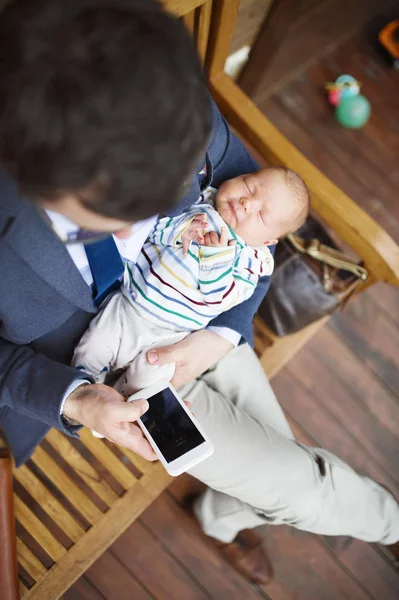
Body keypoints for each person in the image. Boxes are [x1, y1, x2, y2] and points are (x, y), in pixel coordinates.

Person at [0, 0, 397, 586]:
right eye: (117, 216)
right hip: (105, 365)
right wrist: (78, 400)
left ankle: (227, 514)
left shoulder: (157, 88)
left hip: (204, 318)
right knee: (301, 488)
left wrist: (219, 336)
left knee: (289, 478)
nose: (162, 221)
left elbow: (254, 223)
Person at [72, 167, 309, 394]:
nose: (248, 203)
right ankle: (90, 388)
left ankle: (123, 398)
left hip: (171, 336)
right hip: (127, 305)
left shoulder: (250, 261)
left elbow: (220, 298)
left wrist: (215, 258)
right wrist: (181, 230)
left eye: (261, 215)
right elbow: (152, 230)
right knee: (93, 348)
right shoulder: (201, 201)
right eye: (249, 185)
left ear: (267, 241)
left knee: (150, 378)